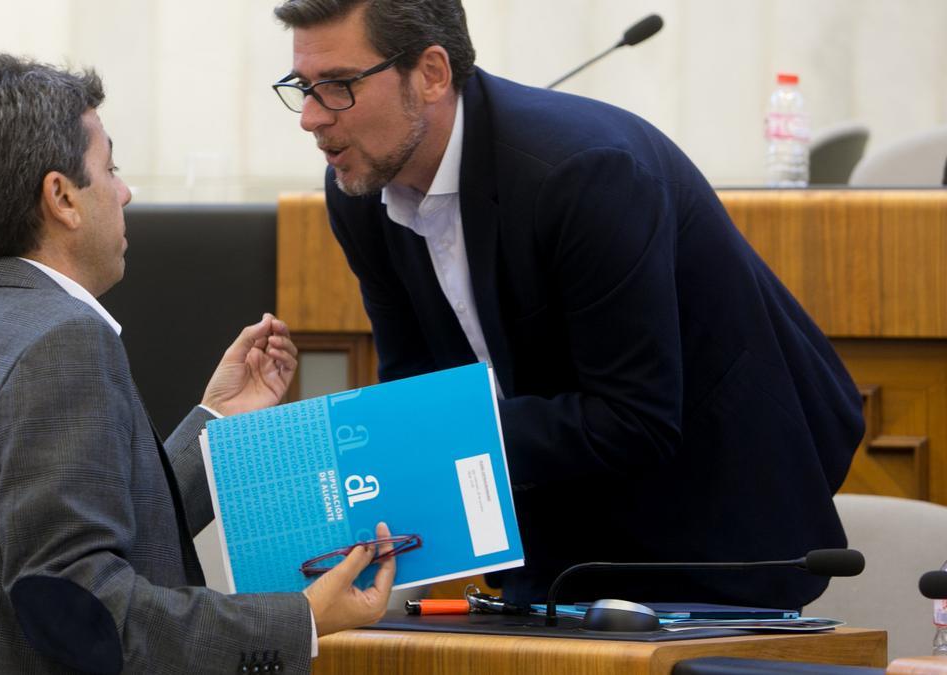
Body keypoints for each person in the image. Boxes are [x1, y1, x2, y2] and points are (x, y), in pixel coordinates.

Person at [272, 0, 864, 610]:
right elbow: (419, 383)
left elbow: (636, 418)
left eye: (338, 87)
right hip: (556, 542)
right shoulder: (361, 189)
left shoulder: (583, 171)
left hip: (713, 527)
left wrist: (432, 432)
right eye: (302, 88)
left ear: (431, 73)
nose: (311, 118)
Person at [0, 54, 393, 674]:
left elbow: (78, 527)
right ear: (62, 197)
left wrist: (217, 420)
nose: (125, 192)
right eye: (110, 168)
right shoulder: (63, 339)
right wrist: (302, 616)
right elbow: (81, 607)